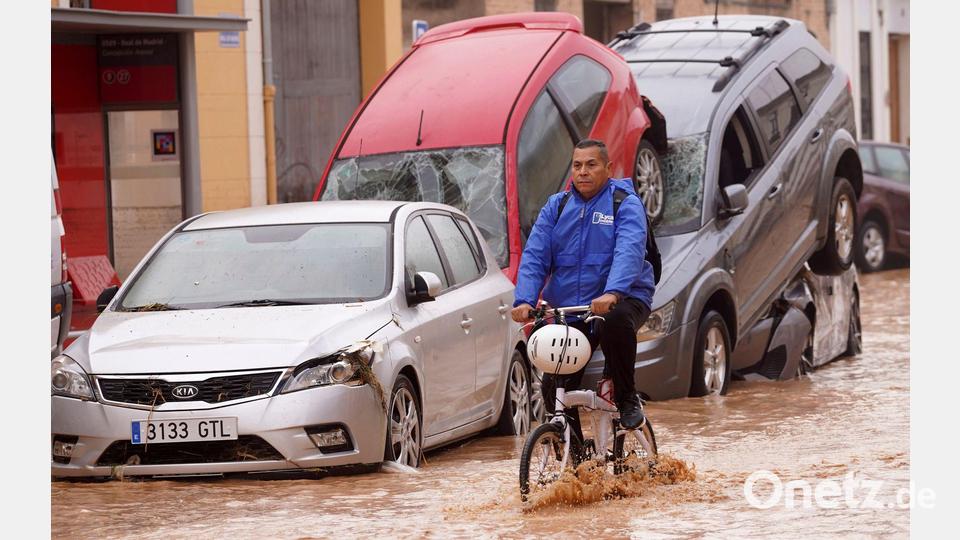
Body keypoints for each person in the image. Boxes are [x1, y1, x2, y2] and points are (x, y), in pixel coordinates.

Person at [511, 139, 655, 432]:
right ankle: (577, 460)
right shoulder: (556, 206)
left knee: (615, 321)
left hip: (623, 298)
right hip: (572, 308)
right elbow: (536, 255)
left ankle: (628, 400)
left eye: (591, 164)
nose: (583, 172)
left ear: (608, 168)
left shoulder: (624, 203)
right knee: (554, 390)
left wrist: (612, 292)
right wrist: (524, 300)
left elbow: (628, 250)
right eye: (577, 165)